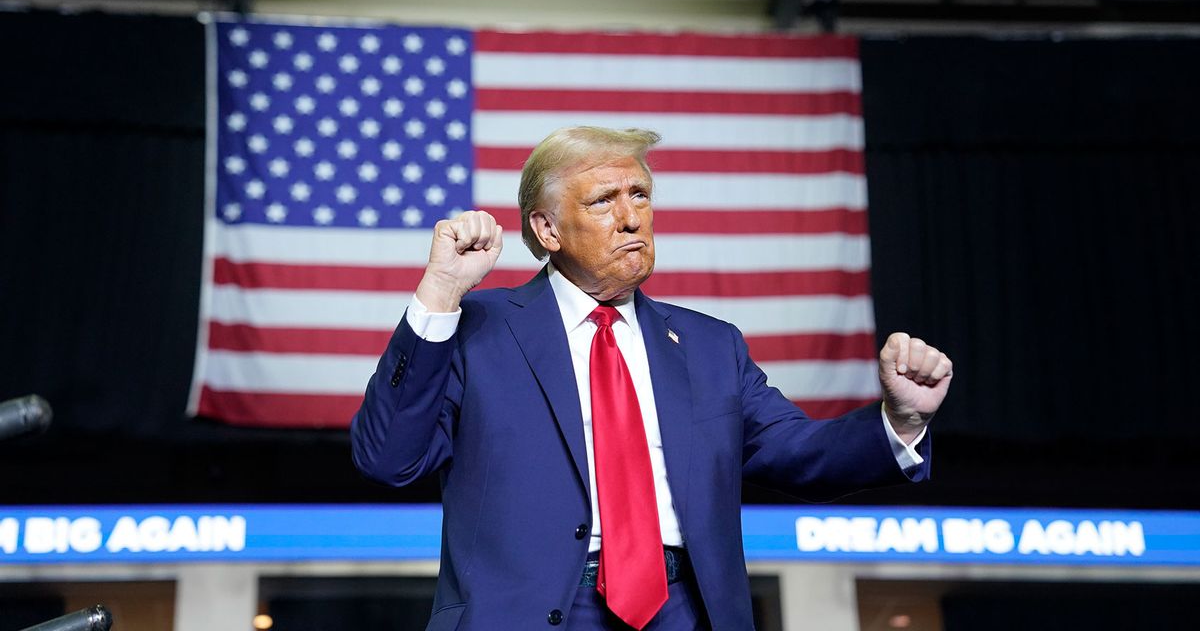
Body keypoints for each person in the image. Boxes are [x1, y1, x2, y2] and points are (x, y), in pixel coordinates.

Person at [351, 126, 952, 631]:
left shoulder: (711, 346)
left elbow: (797, 451)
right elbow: (387, 459)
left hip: (685, 609)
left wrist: (902, 420)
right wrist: (440, 293)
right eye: (603, 200)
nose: (631, 217)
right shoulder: (477, 329)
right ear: (548, 231)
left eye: (640, 194)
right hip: (529, 612)